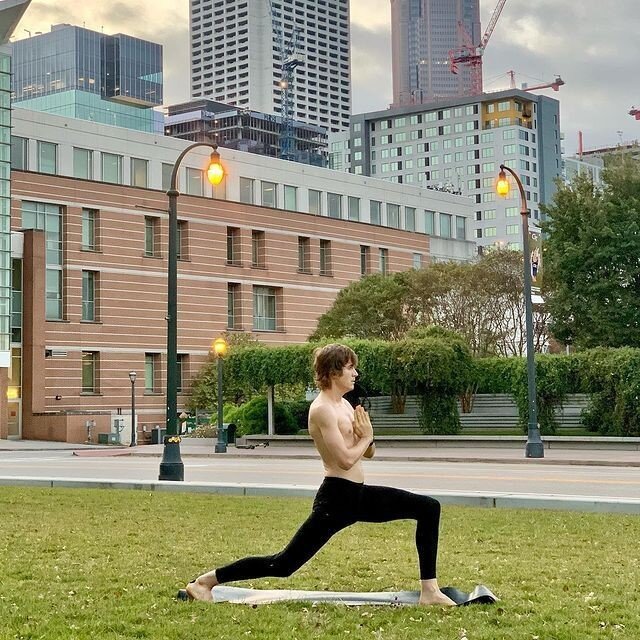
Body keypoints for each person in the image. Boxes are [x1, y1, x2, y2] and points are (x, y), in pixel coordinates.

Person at [182, 343, 455, 606]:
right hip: (336, 499)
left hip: (358, 495)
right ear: (334, 372)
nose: (355, 373)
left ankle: (429, 590)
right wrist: (366, 438)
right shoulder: (322, 409)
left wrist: (367, 437)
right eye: (350, 368)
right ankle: (205, 582)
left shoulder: (346, 406)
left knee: (429, 508)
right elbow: (345, 461)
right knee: (283, 564)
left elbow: (367, 453)